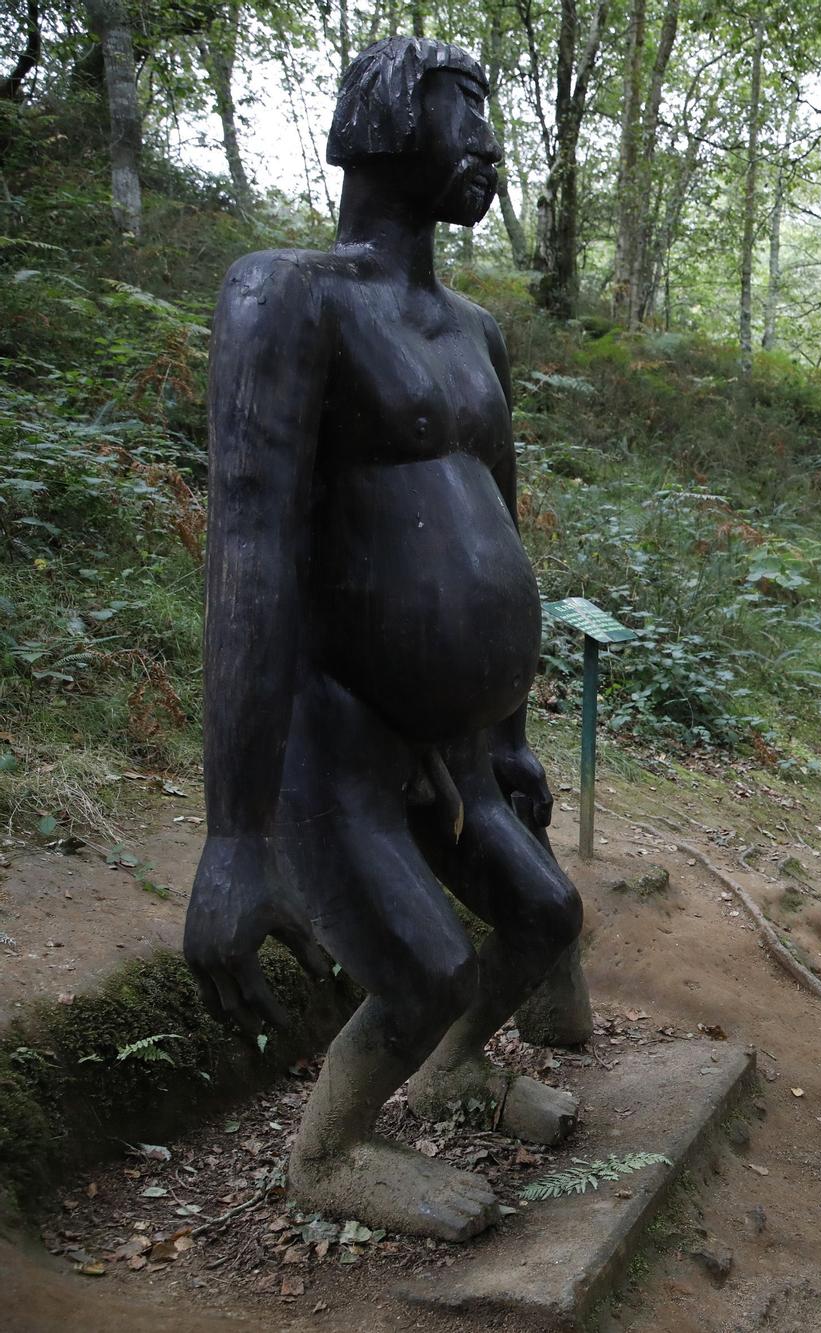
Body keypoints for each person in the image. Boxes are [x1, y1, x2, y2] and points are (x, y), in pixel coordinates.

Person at [183, 37, 582, 1241]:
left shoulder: (477, 331)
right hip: (336, 720)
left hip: (453, 737)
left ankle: (456, 1074)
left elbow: (500, 533)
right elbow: (247, 559)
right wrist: (232, 837)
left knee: (544, 920)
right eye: (463, 110)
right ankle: (331, 1150)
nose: (488, 141)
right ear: (384, 123)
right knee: (426, 966)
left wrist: (503, 734)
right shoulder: (287, 294)